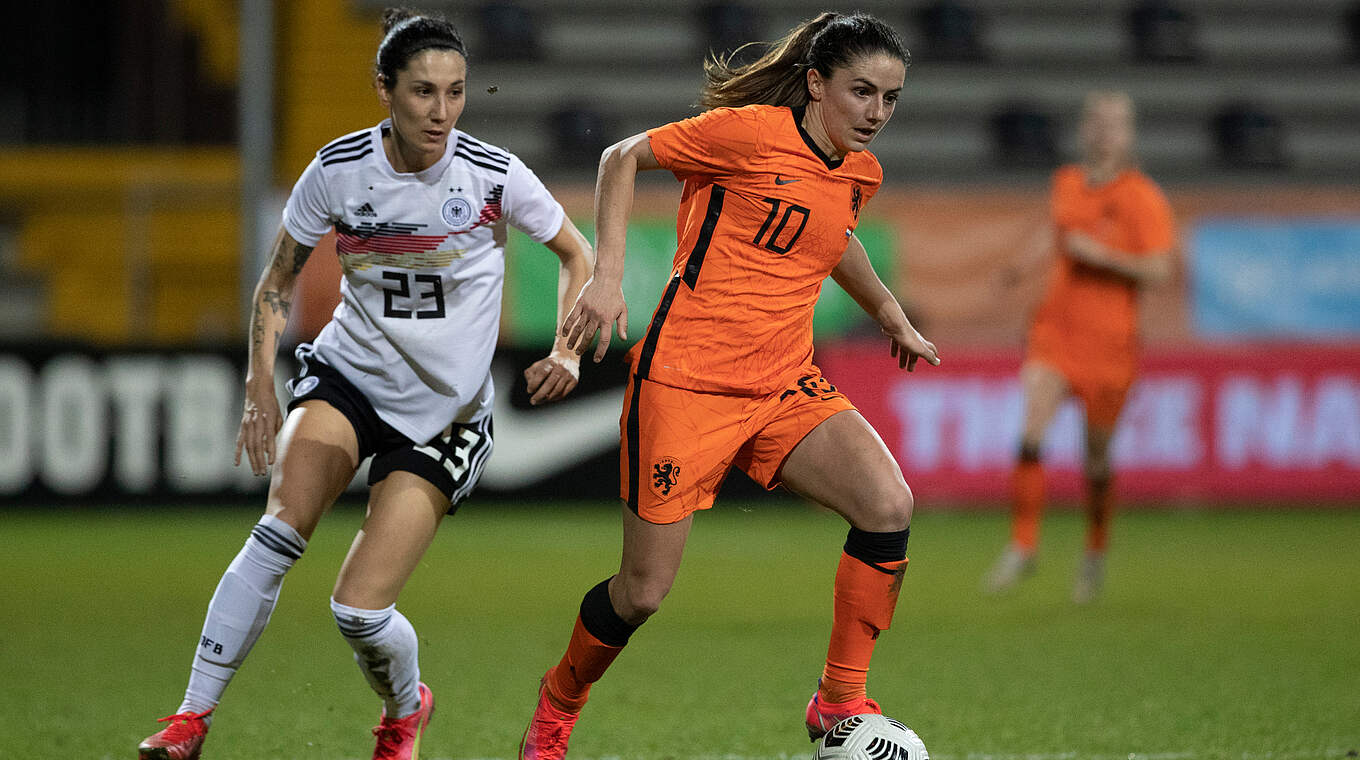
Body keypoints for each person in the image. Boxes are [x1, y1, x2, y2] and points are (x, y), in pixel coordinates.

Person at [136, 9, 593, 760]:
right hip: (347, 379)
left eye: (456, 92)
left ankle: (403, 710)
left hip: (444, 420)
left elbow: (577, 255)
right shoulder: (338, 170)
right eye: (422, 92)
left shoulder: (493, 174)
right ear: (384, 90)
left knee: (357, 613)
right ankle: (191, 719)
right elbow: (277, 282)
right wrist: (260, 387)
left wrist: (568, 351)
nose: (441, 112)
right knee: (278, 531)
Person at [516, 12, 940, 758]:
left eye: (891, 98)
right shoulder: (746, 134)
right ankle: (560, 701)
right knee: (642, 592)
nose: (876, 113)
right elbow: (622, 156)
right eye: (861, 92)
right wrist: (608, 276)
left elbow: (831, 238)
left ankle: (839, 701)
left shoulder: (860, 172)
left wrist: (890, 312)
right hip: (686, 382)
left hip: (782, 383)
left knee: (887, 505)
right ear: (816, 83)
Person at [983, 91, 1175, 603]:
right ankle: (1023, 545)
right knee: (1030, 432)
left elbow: (1160, 269)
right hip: (1055, 333)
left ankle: (1094, 550)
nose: (1103, 131)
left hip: (1110, 347)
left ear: (1130, 134)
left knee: (1096, 461)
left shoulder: (1142, 198)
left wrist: (1104, 256)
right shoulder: (1067, 182)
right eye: (1095, 120)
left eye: (1114, 123)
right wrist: (1019, 267)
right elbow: (1057, 235)